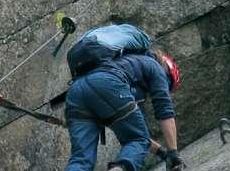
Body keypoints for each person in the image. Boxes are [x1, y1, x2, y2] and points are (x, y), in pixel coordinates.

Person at [64, 23, 185, 171]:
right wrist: (173, 153)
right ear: (166, 70)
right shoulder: (154, 66)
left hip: (75, 92)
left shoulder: (124, 65)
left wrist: (162, 153)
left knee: (81, 159)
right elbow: (164, 111)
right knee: (137, 140)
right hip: (106, 83)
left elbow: (137, 131)